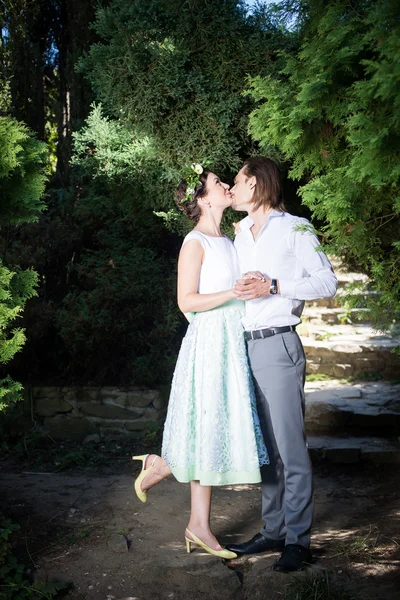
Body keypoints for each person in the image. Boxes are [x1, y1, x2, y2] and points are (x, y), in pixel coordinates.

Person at [132, 165, 269, 560]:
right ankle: (192, 515)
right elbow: (185, 301)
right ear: (203, 198)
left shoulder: (228, 239)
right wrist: (232, 293)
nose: (227, 185)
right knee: (206, 424)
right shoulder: (195, 243)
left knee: (213, 427)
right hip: (209, 343)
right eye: (218, 182)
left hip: (230, 341)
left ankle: (188, 509)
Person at [225, 157, 338, 572]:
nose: (232, 189)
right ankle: (273, 530)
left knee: (290, 450)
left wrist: (274, 285)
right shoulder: (239, 235)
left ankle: (298, 540)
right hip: (245, 347)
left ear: (254, 184)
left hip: (278, 346)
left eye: (237, 182)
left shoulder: (294, 228)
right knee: (265, 452)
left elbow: (327, 282)